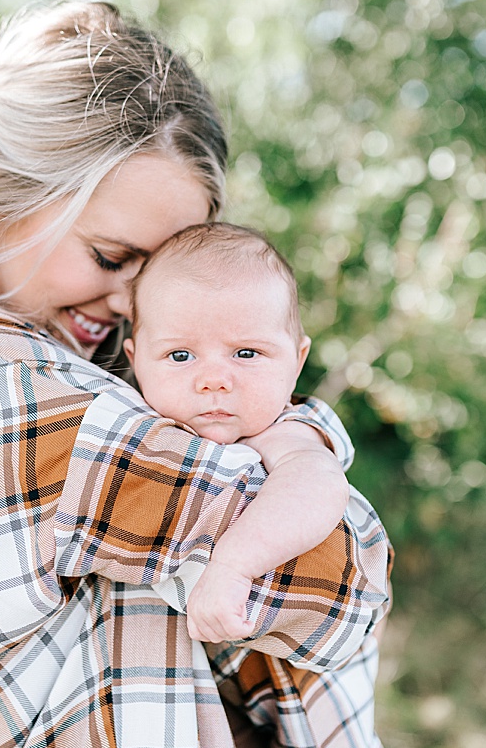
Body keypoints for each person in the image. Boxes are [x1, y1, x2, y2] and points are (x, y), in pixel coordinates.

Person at [0, 0, 392, 748]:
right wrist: (302, 447)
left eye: (155, 275)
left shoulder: (84, 378)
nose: (127, 306)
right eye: (111, 257)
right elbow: (344, 578)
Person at [122, 222, 391, 649]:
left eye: (246, 353)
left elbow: (317, 484)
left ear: (296, 361)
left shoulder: (284, 431)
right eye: (180, 355)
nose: (213, 380)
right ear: (137, 363)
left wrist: (234, 566)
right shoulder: (130, 425)